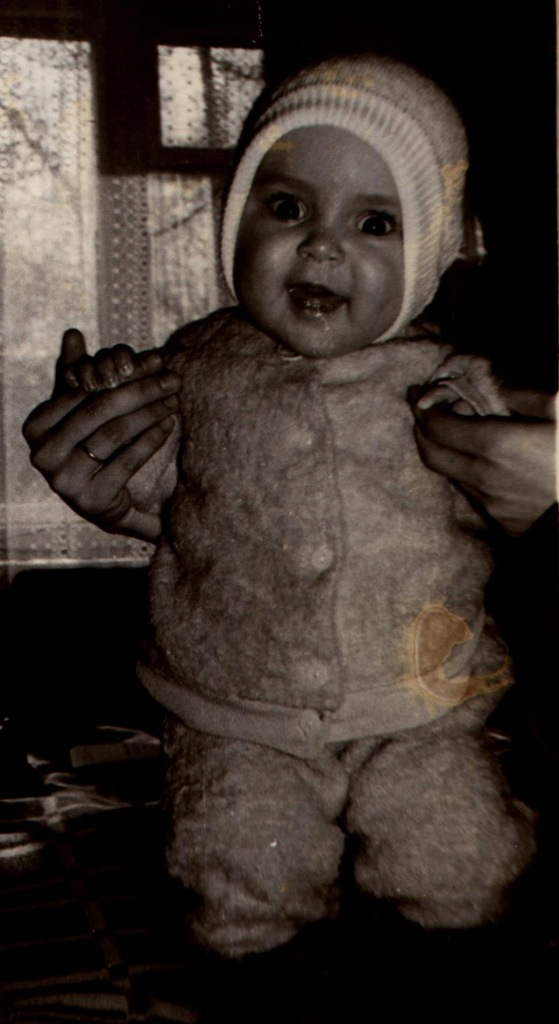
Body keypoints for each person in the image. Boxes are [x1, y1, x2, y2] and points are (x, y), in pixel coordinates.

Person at [23, 55, 540, 959]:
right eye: (287, 207)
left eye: (374, 223)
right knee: (235, 880)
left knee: (458, 862)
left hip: (418, 702)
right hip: (232, 708)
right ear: (234, 219)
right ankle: (257, 986)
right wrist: (109, 413)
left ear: (435, 251)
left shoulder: (451, 379)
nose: (321, 247)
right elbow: (154, 488)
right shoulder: (191, 367)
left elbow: (518, 497)